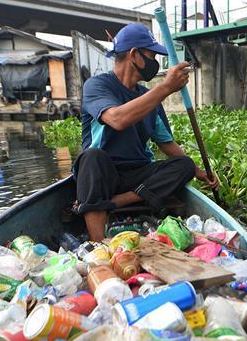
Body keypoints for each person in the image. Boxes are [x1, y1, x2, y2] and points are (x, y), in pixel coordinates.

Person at [73, 23, 218, 241]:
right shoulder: (97, 86)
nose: (155, 63)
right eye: (151, 56)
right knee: (92, 157)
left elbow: (166, 144)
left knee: (184, 165)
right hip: (104, 173)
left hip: (137, 174)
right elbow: (117, 119)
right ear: (134, 55)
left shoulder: (148, 97)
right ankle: (98, 245)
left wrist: (199, 172)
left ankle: (116, 202)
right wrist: (166, 88)